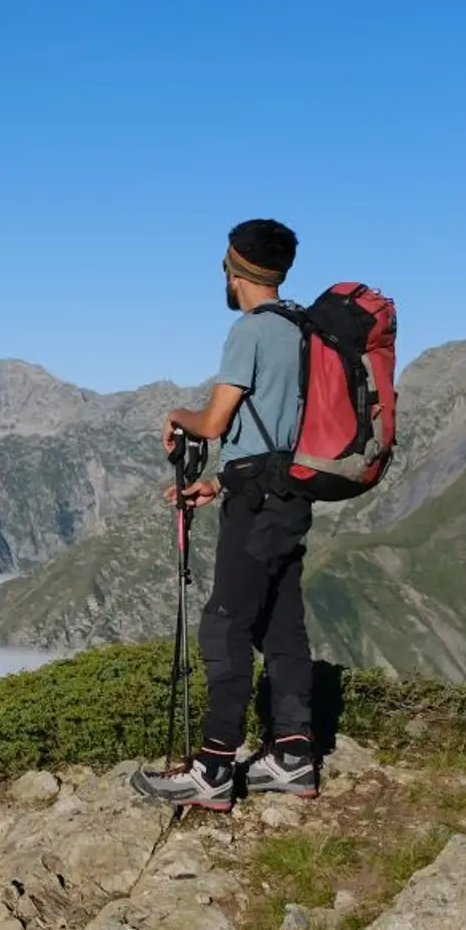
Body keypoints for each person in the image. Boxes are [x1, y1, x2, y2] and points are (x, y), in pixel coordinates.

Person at [132, 218, 318, 811]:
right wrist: (218, 482)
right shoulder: (304, 330)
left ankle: (213, 766)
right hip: (287, 495)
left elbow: (213, 423)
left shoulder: (252, 331)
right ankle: (293, 755)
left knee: (225, 624)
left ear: (234, 269)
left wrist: (175, 415)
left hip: (256, 504)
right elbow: (278, 433)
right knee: (281, 624)